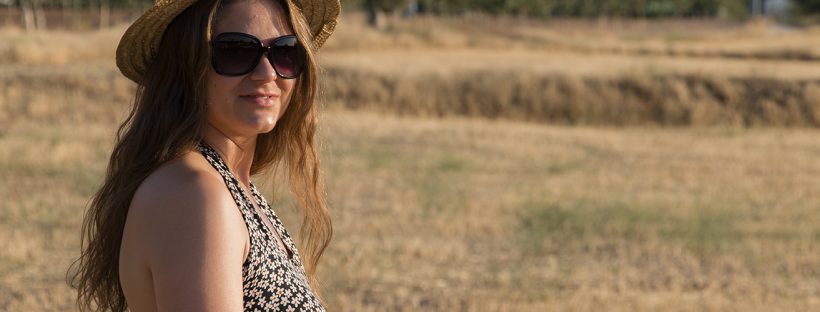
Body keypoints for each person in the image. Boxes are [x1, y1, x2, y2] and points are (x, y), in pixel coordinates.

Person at [68, 0, 340, 310]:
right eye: (237, 51)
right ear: (187, 65)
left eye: (285, 51)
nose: (267, 73)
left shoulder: (227, 186)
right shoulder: (195, 195)